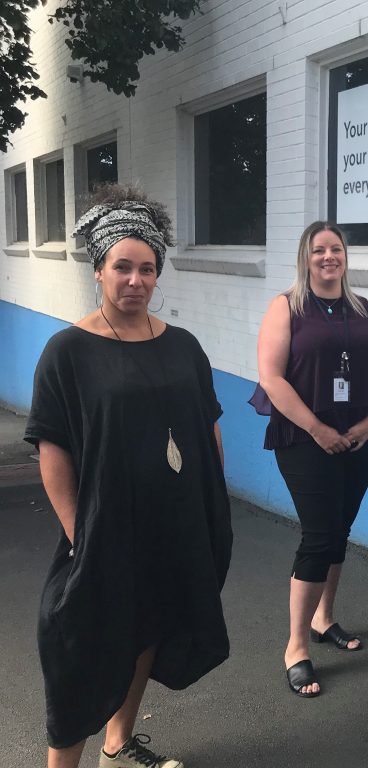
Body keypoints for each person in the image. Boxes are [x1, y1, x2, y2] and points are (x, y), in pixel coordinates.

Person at [25, 185, 232, 768]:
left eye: (147, 269)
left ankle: (117, 744)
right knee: (80, 652)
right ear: (99, 270)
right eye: (123, 267)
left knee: (149, 630)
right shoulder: (67, 352)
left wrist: (206, 507)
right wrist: (78, 534)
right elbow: (53, 449)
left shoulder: (184, 346)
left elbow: (206, 426)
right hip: (104, 529)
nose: (136, 280)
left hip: (172, 527)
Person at [255, 221, 368, 698]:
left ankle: (324, 618)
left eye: (336, 249)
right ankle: (296, 647)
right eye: (319, 250)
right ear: (306, 257)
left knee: (339, 530)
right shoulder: (287, 307)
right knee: (318, 536)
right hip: (303, 439)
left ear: (345, 256)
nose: (328, 257)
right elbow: (272, 378)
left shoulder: (365, 308)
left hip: (359, 438)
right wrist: (318, 430)